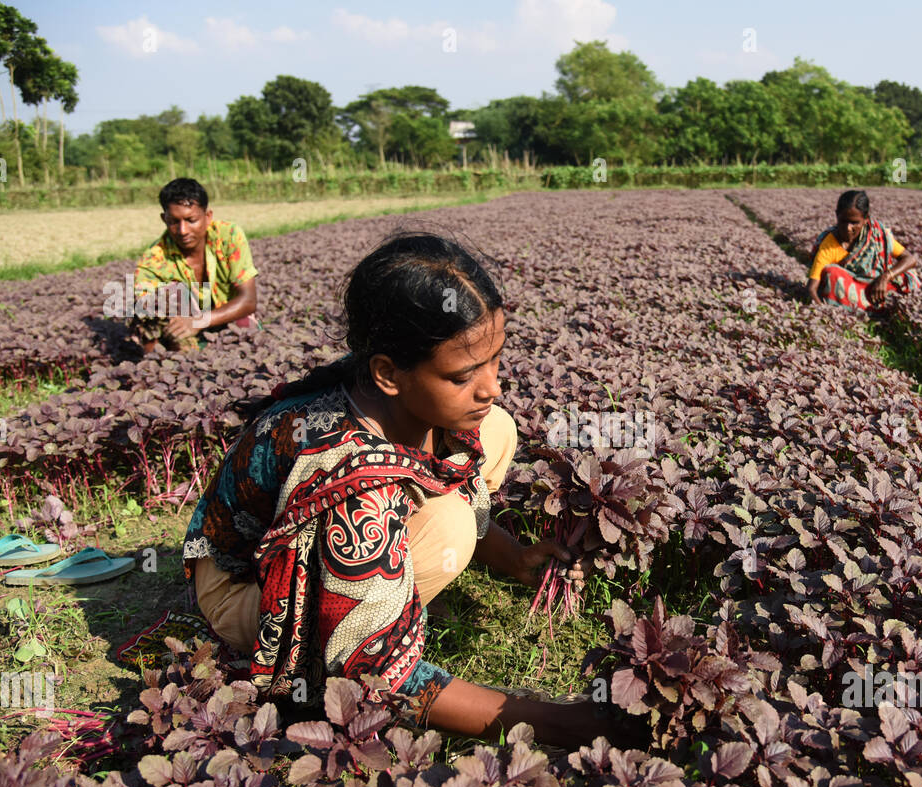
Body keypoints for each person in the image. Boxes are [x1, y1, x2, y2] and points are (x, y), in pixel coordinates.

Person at [181, 231, 611, 748]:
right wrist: (570, 722)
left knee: (495, 425)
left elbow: (468, 476)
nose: (491, 384)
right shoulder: (345, 469)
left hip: (361, 499)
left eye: (495, 360)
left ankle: (394, 591)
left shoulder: (418, 403)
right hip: (243, 587)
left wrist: (517, 558)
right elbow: (374, 675)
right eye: (463, 374)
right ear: (387, 373)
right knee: (448, 528)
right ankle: (380, 605)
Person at [131, 177, 259, 351]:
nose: (183, 231)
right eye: (174, 222)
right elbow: (144, 318)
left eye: (191, 220)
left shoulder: (229, 236)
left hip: (224, 315)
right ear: (164, 219)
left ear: (208, 216)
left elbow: (248, 300)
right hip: (182, 325)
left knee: (249, 335)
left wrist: (200, 321)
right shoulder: (154, 259)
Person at [806, 189, 921, 313]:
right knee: (831, 273)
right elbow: (811, 289)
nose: (848, 228)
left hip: (877, 286)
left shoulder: (876, 234)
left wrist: (885, 277)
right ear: (836, 215)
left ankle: (878, 309)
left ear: (866, 219)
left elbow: (910, 259)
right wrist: (824, 314)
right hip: (851, 290)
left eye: (854, 223)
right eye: (843, 221)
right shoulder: (829, 244)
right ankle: (870, 310)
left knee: (902, 278)